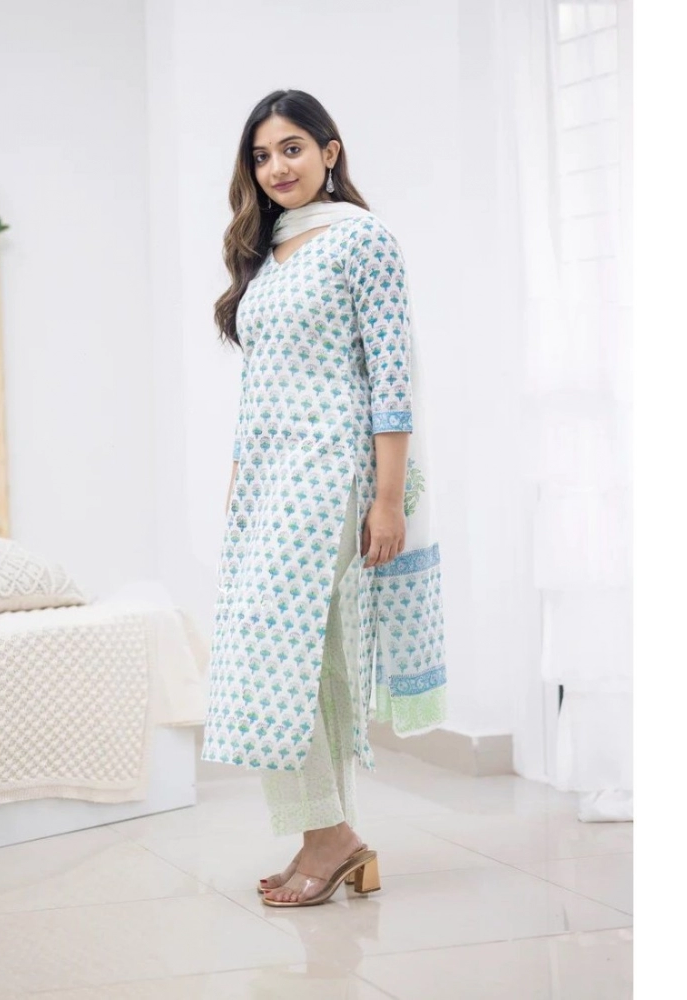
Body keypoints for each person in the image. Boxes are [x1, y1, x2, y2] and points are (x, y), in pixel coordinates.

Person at [202, 90, 447, 907]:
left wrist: (388, 499)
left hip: (331, 472)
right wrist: (239, 481)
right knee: (302, 657)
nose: (276, 168)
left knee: (282, 652)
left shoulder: (362, 240)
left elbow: (391, 378)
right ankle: (329, 833)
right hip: (269, 479)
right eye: (261, 156)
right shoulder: (267, 249)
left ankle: (329, 837)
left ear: (330, 152)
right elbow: (260, 384)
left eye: (292, 148)